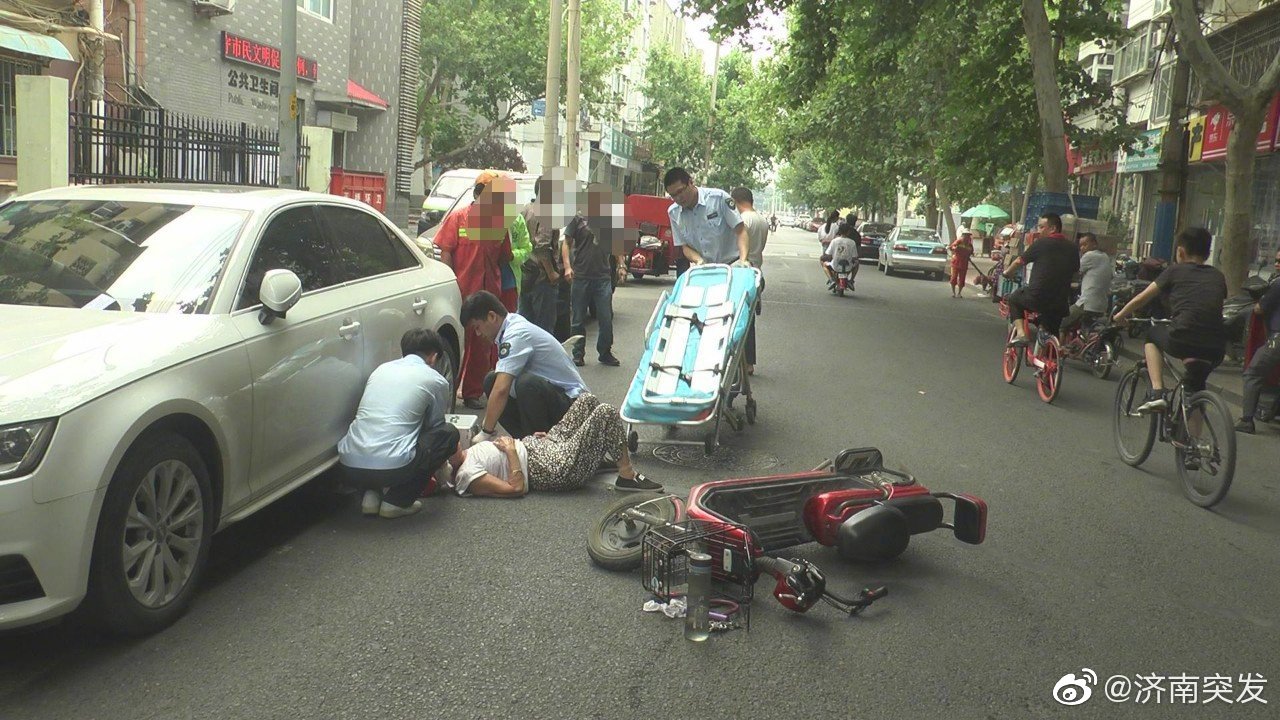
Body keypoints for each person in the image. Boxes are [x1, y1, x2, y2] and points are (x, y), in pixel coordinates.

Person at [337, 329, 460, 519]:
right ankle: (397, 502)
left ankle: (371, 495)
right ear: (434, 357)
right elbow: (436, 427)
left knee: (378, 432)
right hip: (393, 467)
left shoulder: (380, 370)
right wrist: (443, 467)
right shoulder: (436, 380)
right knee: (448, 434)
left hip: (349, 465)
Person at [1112, 227, 1227, 417]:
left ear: (1180, 251)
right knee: (1194, 392)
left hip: (1183, 336)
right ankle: (1194, 444)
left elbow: (1142, 298)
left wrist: (1120, 316)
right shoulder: (1217, 276)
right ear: (1207, 253)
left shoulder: (1175, 271)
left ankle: (1158, 392)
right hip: (1216, 346)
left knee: (1152, 335)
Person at [449, 393, 659, 496]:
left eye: (454, 443)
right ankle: (627, 475)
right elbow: (515, 488)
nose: (457, 445)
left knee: (587, 400)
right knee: (605, 412)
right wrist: (512, 451)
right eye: (451, 448)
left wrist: (529, 442)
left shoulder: (466, 455)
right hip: (548, 469)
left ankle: (595, 459)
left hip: (540, 449)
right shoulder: (466, 476)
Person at [435, 172, 516, 410]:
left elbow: (505, 257)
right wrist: (450, 281)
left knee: (482, 347)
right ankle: (447, 393)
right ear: (477, 194)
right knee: (458, 345)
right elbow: (446, 251)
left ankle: (472, 392)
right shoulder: (458, 219)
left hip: (488, 296)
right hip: (461, 292)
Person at [562, 182, 625, 367]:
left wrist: (621, 265)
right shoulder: (576, 218)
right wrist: (567, 267)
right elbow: (566, 243)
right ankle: (578, 354)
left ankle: (604, 352)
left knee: (605, 317)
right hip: (580, 276)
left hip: (603, 277)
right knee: (578, 319)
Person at [1002, 213, 1080, 344]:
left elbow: (1019, 261)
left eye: (1041, 227)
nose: (1038, 231)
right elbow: (1075, 271)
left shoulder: (1041, 243)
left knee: (1014, 299)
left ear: (1053, 228)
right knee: (1051, 332)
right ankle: (1052, 354)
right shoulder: (1072, 248)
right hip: (1060, 302)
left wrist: (1007, 272)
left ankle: (1021, 334)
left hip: (1037, 297)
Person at [664, 167, 751, 267]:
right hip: (704, 269)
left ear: (690, 182)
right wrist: (699, 261)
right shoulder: (674, 212)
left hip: (732, 265)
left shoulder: (719, 198)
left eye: (680, 191)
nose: (679, 198)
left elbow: (740, 230)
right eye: (673, 195)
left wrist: (743, 260)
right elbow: (685, 246)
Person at [1235, 250, 1280, 433]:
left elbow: (1261, 309)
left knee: (1252, 374)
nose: (1277, 264)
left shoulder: (1277, 284)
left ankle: (1246, 420)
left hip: (1277, 340)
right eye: (1276, 260)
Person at [732, 186, 770, 374]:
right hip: (756, 271)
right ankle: (748, 363)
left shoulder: (743, 220)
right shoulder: (761, 220)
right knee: (749, 321)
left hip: (743, 272)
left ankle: (737, 359)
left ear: (736, 201)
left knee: (736, 317)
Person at [519, 174, 563, 334]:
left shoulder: (525, 209)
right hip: (542, 279)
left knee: (524, 326)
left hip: (525, 274)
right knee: (544, 330)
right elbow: (542, 247)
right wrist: (551, 273)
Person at [1061, 233, 1112, 334]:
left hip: (1087, 304)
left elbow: (1072, 271)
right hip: (1102, 306)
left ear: (1094, 244)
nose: (1082, 248)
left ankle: (1061, 348)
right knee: (1085, 326)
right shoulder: (1105, 256)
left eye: (1085, 244)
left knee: (1061, 322)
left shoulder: (1089, 255)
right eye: (1080, 245)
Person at [822, 222, 859, 292]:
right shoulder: (852, 242)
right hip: (848, 267)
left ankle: (831, 280)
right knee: (857, 263)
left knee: (824, 264)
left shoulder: (834, 241)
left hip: (835, 266)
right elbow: (855, 257)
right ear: (849, 232)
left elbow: (828, 254)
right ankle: (851, 280)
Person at [949, 229, 975, 298]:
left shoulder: (970, 245)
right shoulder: (958, 241)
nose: (967, 237)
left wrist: (968, 256)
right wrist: (955, 248)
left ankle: (959, 293)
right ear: (963, 235)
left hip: (964, 263)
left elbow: (971, 252)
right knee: (954, 277)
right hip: (956, 262)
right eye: (966, 235)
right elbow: (952, 247)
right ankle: (953, 292)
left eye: (968, 236)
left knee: (962, 279)